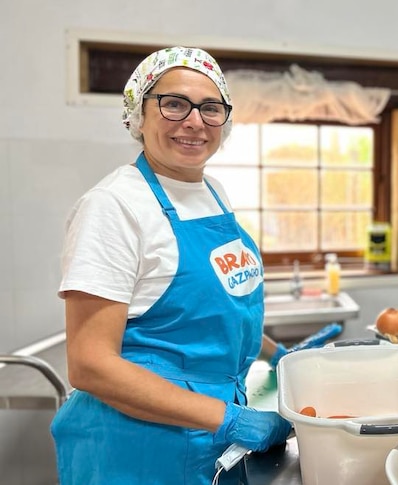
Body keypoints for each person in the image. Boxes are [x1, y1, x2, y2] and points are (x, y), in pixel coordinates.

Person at [50, 46, 331, 485]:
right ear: (137, 115)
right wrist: (231, 420)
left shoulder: (212, 191)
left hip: (210, 437)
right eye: (174, 103)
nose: (195, 121)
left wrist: (280, 356)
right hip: (139, 450)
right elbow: (90, 364)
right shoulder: (114, 207)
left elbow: (217, 312)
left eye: (210, 107)